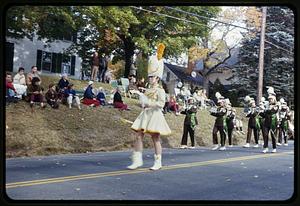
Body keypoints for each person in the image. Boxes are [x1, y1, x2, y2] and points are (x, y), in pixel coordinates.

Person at [129, 43, 171, 171]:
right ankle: (137, 160)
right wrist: (142, 102)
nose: (150, 79)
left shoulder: (160, 90)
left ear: (157, 78)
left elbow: (161, 104)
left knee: (155, 138)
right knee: (138, 135)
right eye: (150, 77)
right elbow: (145, 101)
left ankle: (158, 161)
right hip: (146, 114)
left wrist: (149, 104)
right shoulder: (148, 89)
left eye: (152, 77)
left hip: (155, 115)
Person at [261, 87, 279, 153]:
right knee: (265, 135)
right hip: (266, 122)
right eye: (269, 99)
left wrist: (265, 109)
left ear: (274, 99)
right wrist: (260, 112)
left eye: (271, 99)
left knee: (273, 135)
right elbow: (264, 115)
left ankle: (274, 147)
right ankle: (265, 147)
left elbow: (273, 111)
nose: (270, 100)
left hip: (273, 122)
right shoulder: (267, 105)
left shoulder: (276, 105)